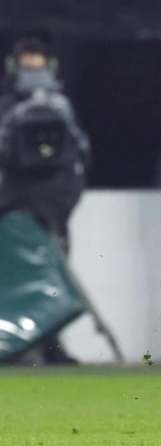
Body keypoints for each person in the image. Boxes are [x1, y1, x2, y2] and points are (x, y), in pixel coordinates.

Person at [0, 37, 91, 364]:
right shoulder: (8, 108)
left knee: (54, 280)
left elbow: (79, 158)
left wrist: (61, 204)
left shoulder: (61, 108)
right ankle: (16, 346)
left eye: (37, 65)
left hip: (51, 209)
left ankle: (51, 347)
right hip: (13, 212)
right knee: (13, 278)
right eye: (27, 66)